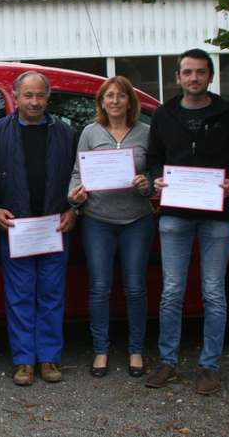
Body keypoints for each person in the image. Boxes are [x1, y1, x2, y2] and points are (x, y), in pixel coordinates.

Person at [145, 48, 229, 395]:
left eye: (200, 72)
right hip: (175, 214)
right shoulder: (164, 115)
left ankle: (209, 366)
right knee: (173, 291)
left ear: (210, 76)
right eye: (187, 72)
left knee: (213, 292)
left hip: (217, 215)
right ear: (177, 78)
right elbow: (154, 158)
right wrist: (158, 177)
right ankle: (167, 361)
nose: (194, 78)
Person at [0, 71, 77, 386]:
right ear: (16, 96)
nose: (34, 102)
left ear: (48, 98)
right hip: (16, 229)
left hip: (55, 226)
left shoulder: (66, 134)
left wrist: (73, 210)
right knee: (20, 296)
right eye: (28, 95)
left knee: (51, 295)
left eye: (40, 96)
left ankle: (49, 358)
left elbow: (78, 178)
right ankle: (24, 361)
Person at [67, 75, 154, 378]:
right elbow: (78, 173)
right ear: (101, 101)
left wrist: (148, 185)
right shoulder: (90, 133)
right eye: (109, 96)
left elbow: (156, 176)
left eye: (121, 96)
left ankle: (136, 350)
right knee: (100, 287)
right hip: (97, 219)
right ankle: (101, 350)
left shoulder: (146, 132)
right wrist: (73, 196)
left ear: (130, 100)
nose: (115, 101)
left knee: (134, 287)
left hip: (137, 220)